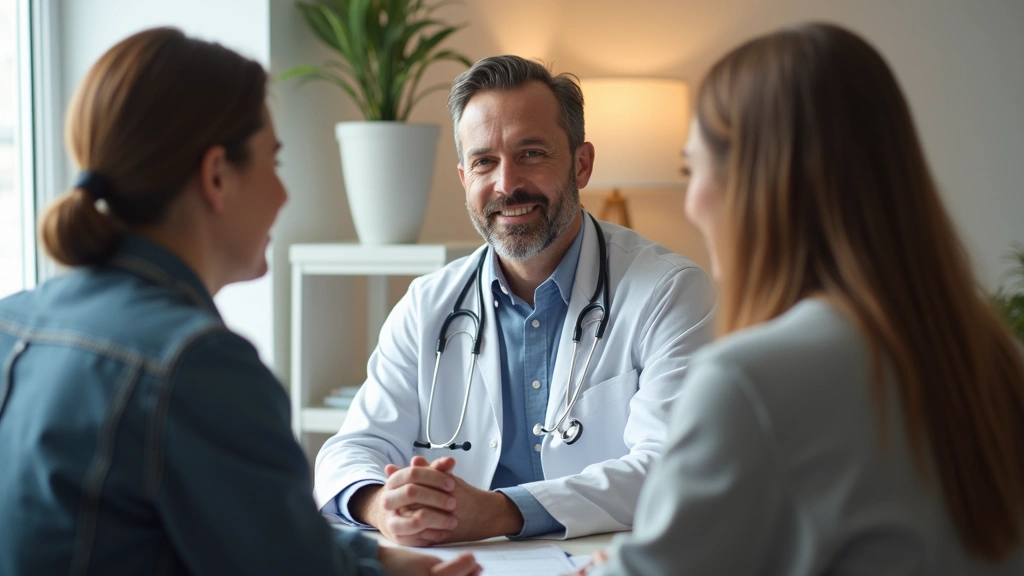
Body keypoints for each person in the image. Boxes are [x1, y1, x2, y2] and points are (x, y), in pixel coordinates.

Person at [0, 27, 479, 576]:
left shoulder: (14, 320)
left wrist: (377, 559)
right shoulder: (194, 366)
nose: (283, 195)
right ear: (216, 176)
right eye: (273, 163)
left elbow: (260, 536)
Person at [584, 22, 1024, 575]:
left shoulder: (750, 379)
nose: (692, 202)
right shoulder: (997, 357)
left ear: (756, 181)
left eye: (691, 169)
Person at [314, 55, 715, 546]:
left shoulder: (669, 291)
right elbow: (353, 448)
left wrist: (501, 512)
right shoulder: (427, 304)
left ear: (582, 164)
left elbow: (669, 466)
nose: (506, 184)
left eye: (531, 154)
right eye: (485, 161)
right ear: (465, 180)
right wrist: (382, 504)